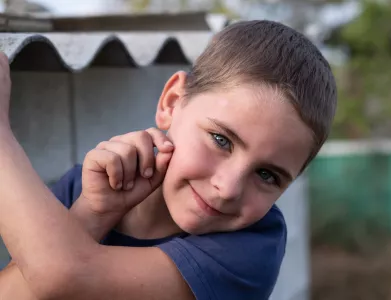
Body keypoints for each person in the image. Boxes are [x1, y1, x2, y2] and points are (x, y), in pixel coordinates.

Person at [0, 20, 336, 300]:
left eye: (267, 175)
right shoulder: (85, 187)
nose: (228, 188)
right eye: (221, 140)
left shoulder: (251, 249)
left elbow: (61, 276)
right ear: (172, 102)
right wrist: (93, 212)